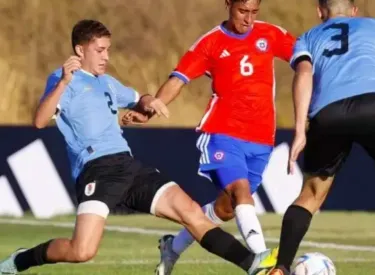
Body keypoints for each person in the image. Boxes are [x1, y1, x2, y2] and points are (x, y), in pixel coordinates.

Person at [0, 19, 277, 275]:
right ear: (79, 51)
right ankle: (21, 260)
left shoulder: (107, 82)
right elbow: (38, 121)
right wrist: (62, 82)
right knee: (81, 251)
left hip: (128, 165)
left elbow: (136, 98)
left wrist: (150, 102)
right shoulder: (63, 81)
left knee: (190, 212)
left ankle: (252, 264)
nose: (106, 56)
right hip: (96, 171)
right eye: (100, 50)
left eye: (108, 50)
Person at [267, 1, 375, 275]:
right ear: (354, 11)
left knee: (311, 195)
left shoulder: (308, 37)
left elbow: (304, 75)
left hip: (328, 115)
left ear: (320, 11)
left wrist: (301, 128)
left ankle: (280, 268)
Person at [122, 0, 296, 274]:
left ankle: (172, 247)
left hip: (262, 139)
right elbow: (178, 79)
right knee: (240, 192)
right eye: (242, 11)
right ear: (228, 4)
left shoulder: (270, 34)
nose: (248, 19)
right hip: (222, 132)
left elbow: (306, 58)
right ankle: (262, 263)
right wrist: (151, 110)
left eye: (254, 12)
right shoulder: (211, 43)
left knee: (226, 209)